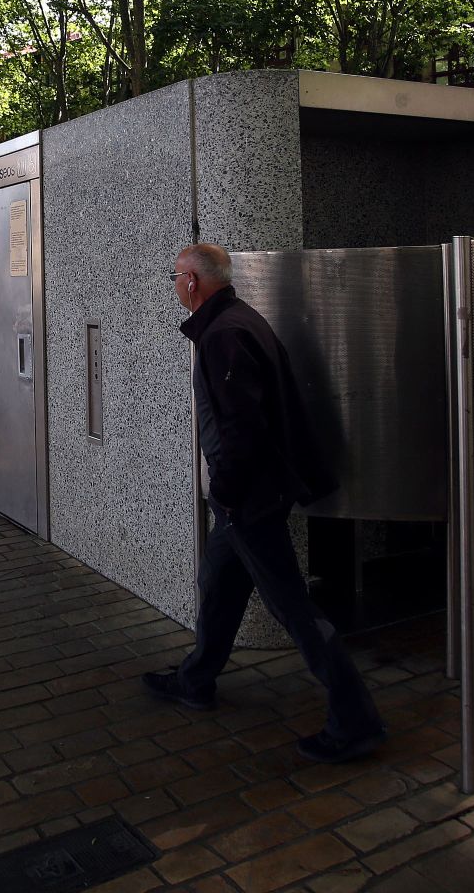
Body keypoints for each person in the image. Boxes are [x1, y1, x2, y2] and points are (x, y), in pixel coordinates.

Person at [142, 243, 386, 764]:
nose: (174, 286)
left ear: (192, 282)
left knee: (292, 608)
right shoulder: (235, 321)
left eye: (175, 276)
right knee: (219, 585)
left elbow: (242, 427)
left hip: (249, 499)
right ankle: (196, 680)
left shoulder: (225, 335)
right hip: (247, 497)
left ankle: (356, 720)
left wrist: (226, 492)